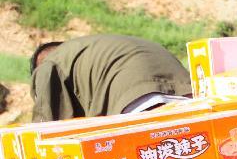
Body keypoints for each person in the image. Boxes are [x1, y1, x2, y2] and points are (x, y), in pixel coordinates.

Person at [30, 34, 192, 122]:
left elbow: (45, 129)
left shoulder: (50, 63)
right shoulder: (94, 49)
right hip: (188, 93)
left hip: (137, 98)